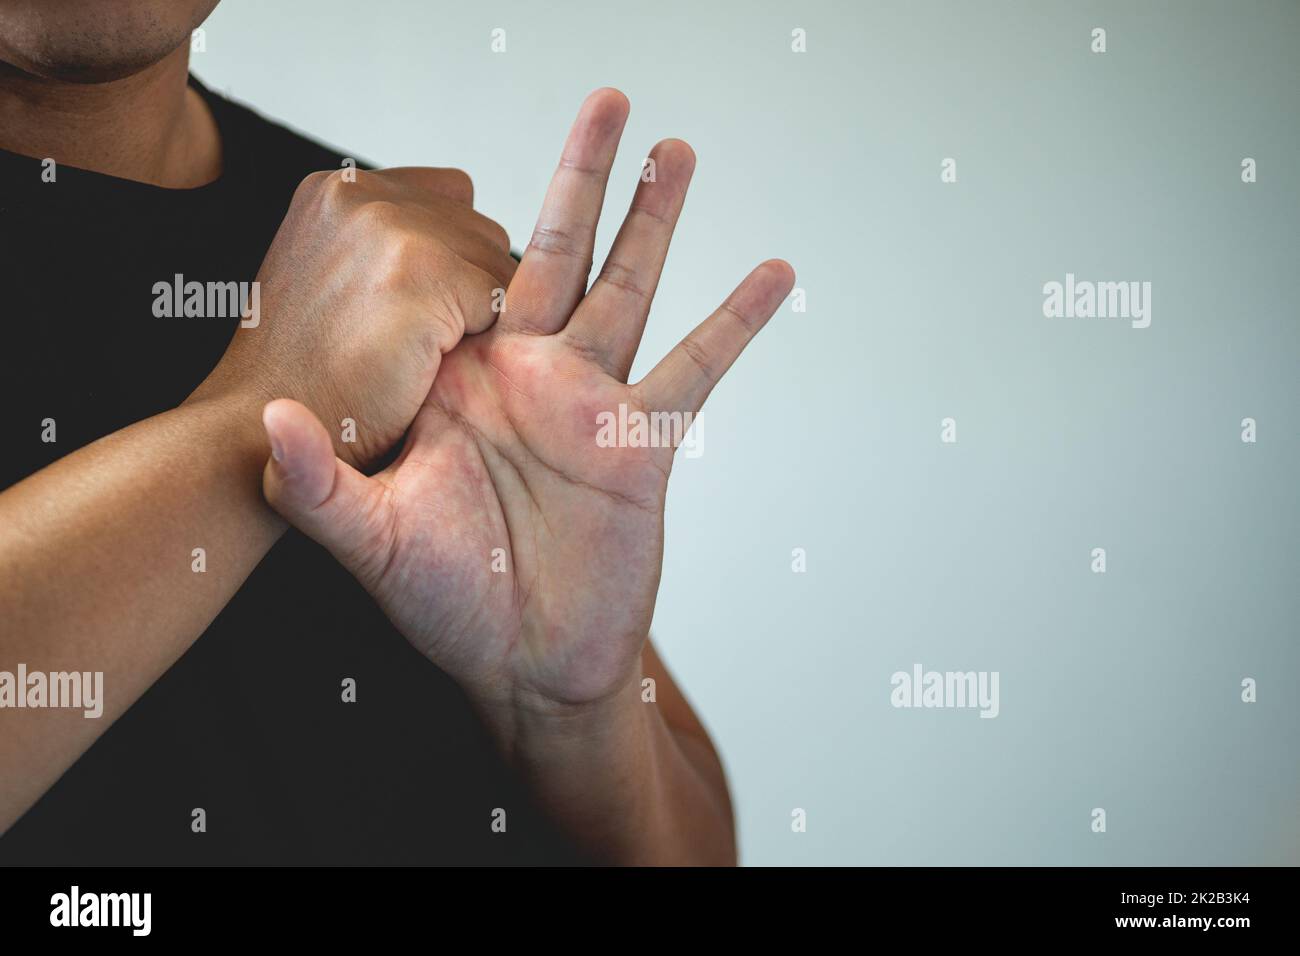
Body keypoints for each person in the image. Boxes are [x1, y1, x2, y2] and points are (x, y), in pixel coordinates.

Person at [0, 0, 793, 865]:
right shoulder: (364, 291)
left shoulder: (388, 264)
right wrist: (267, 407)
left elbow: (701, 850)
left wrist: (568, 716)